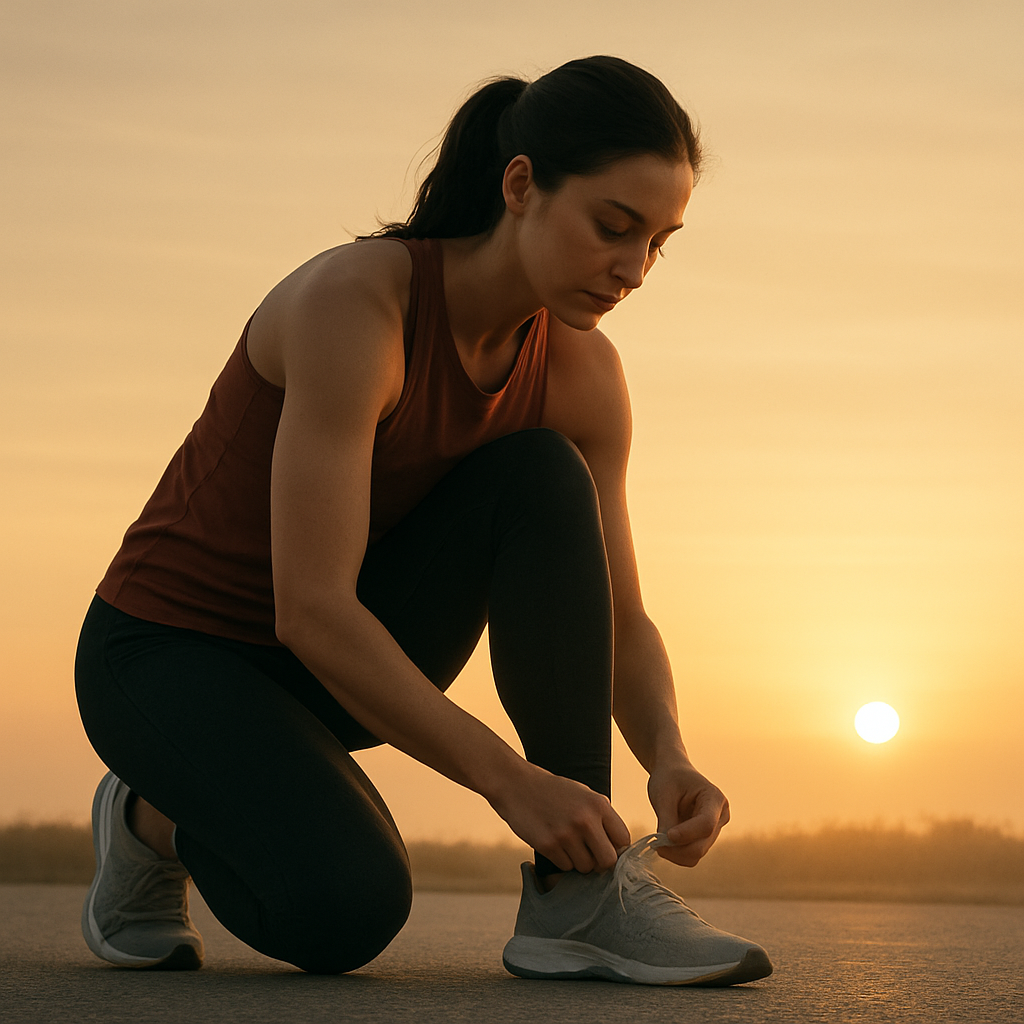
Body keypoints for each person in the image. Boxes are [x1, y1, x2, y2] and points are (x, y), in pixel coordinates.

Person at [75, 55, 773, 986]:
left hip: (333, 669)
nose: (635, 269)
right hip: (166, 655)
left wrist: (669, 756)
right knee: (345, 911)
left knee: (540, 475)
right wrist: (514, 785)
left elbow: (622, 612)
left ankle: (580, 898)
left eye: (660, 241)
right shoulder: (356, 304)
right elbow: (311, 609)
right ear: (520, 185)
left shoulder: (582, 372)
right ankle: (147, 814)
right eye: (615, 227)